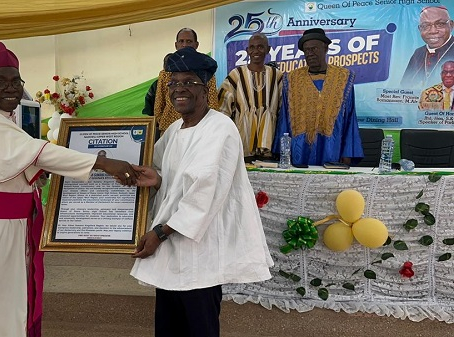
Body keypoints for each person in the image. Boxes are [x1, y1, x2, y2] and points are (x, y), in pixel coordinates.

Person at [0, 39, 138, 337]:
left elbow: (16, 160)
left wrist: (36, 172)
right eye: (0, 82)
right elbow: (38, 152)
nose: (11, 89)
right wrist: (102, 163)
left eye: (15, 81)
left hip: (2, 228)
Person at [130, 47, 273, 337]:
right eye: (174, 83)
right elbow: (167, 179)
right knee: (168, 328)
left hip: (200, 252)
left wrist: (158, 234)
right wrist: (155, 179)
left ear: (206, 88)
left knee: (200, 328)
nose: (179, 89)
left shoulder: (219, 129)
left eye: (189, 82)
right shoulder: (173, 131)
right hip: (171, 251)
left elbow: (203, 195)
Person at [272, 28, 364, 166]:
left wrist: (348, 153)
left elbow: (350, 119)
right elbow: (284, 119)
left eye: (314, 49)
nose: (310, 54)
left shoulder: (343, 78)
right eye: (306, 50)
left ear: (325, 48)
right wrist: (282, 152)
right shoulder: (291, 79)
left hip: (332, 151)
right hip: (299, 152)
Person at [218, 33, 283, 160]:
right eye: (252, 47)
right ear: (247, 51)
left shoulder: (277, 76)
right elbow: (223, 107)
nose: (256, 51)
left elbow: (283, 109)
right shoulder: (236, 75)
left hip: (269, 142)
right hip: (243, 141)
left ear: (268, 49)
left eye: (260, 47)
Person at [153, 28, 220, 135]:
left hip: (198, 128)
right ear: (176, 45)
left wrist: (207, 126)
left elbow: (212, 104)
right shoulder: (165, 73)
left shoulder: (206, 74)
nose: (184, 45)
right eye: (181, 41)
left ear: (196, 45)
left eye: (189, 41)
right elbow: (158, 105)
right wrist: (163, 122)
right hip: (168, 128)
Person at [401, 6, 454, 88]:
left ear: (451, 25)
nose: (433, 31)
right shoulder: (418, 53)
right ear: (419, 29)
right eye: (425, 26)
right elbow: (404, 86)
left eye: (440, 24)